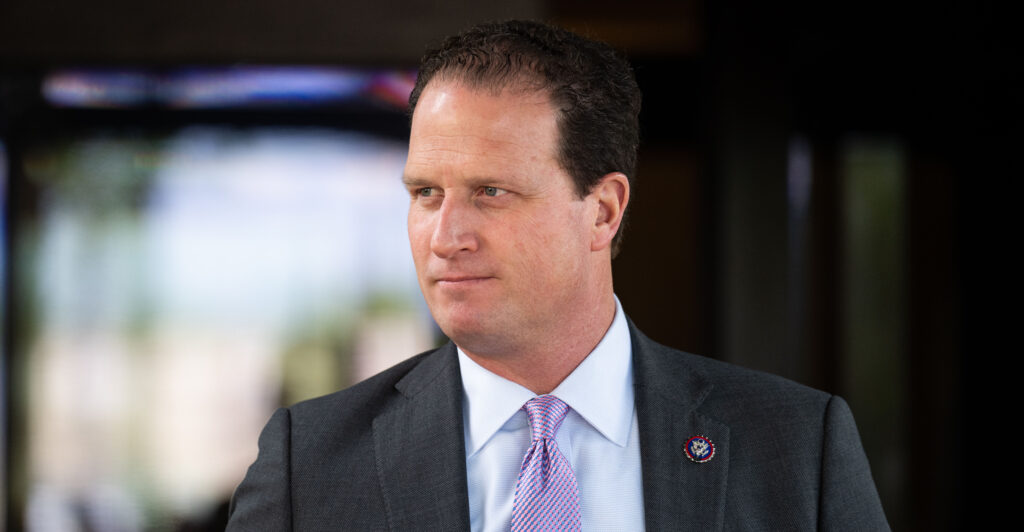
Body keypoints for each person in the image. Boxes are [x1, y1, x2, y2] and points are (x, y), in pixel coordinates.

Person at [227, 20, 889, 531]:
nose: (446, 236)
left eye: (490, 192)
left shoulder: (797, 450)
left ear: (602, 212)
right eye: (426, 192)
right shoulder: (309, 464)